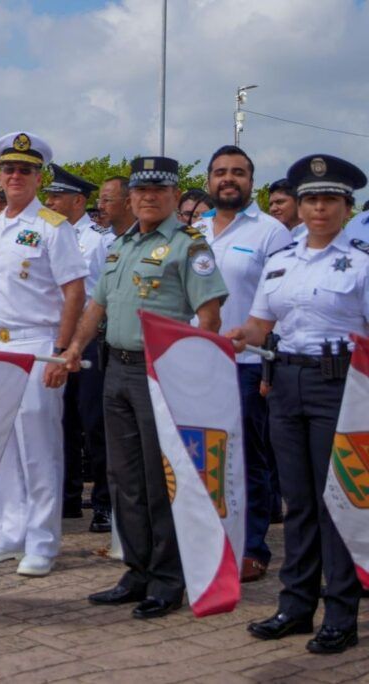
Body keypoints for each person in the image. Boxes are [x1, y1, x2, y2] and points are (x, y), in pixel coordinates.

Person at [63, 156, 228, 619]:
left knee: (160, 482)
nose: (149, 198)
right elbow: (97, 306)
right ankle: (136, 571)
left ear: (175, 195)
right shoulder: (121, 246)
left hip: (162, 374)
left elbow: (209, 317)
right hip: (116, 368)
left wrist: (195, 373)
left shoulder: (189, 246)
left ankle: (167, 579)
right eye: (141, 191)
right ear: (131, 197)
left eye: (159, 191)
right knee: (123, 477)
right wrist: (76, 347)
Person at [229, 154, 368, 655]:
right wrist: (234, 338)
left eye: (330, 199)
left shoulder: (362, 260)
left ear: (347, 207)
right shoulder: (280, 260)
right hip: (284, 385)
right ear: (300, 206)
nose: (318, 208)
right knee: (299, 501)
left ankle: (341, 611)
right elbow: (259, 325)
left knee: (337, 500)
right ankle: (295, 605)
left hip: (342, 388)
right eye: (310, 199)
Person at [0, 131, 87, 577]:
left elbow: (74, 291)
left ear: (37, 177)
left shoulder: (53, 226)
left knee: (38, 448)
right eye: (9, 168)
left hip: (37, 342)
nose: (16, 176)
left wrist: (61, 350)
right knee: (3, 446)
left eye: (25, 170)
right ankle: (9, 532)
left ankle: (43, 542)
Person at [192, 145, 292, 583]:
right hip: (195, 365)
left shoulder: (271, 233)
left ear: (252, 181)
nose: (227, 179)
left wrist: (271, 370)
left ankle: (253, 548)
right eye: (219, 172)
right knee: (204, 458)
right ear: (210, 180)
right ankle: (210, 542)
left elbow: (282, 306)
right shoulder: (192, 232)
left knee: (248, 460)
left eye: (237, 173)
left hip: (248, 365)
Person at [42, 164, 112, 534]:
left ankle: (104, 503)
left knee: (93, 422)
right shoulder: (49, 234)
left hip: (88, 341)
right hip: (55, 338)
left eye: (56, 196)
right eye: (49, 195)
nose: (49, 201)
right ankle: (67, 498)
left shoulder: (97, 240)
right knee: (61, 420)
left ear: (78, 201)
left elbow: (102, 294)